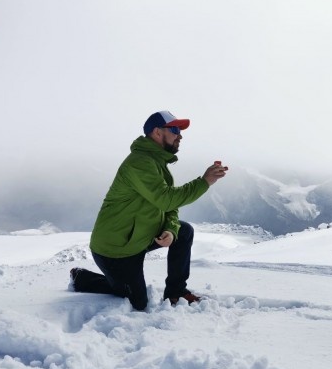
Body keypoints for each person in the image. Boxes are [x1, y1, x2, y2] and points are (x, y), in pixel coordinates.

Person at [70, 110, 228, 311]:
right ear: (157, 132)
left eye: (179, 130)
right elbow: (166, 200)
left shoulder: (157, 163)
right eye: (174, 129)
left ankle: (176, 292)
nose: (179, 135)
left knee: (183, 231)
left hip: (140, 237)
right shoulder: (139, 163)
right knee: (136, 301)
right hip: (117, 249)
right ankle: (82, 278)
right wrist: (204, 182)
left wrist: (171, 230)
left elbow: (170, 204)